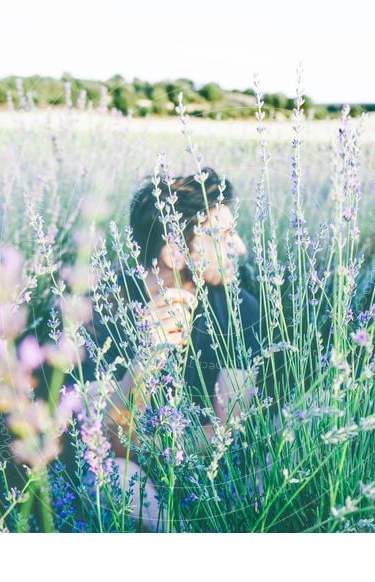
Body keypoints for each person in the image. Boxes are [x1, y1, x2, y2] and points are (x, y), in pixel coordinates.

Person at [78, 167, 263, 531]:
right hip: (133, 474)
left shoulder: (239, 307)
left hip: (213, 473)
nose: (239, 247)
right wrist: (147, 356)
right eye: (223, 236)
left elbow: (232, 429)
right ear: (176, 252)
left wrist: (155, 443)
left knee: (275, 461)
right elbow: (107, 444)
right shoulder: (96, 314)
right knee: (113, 479)